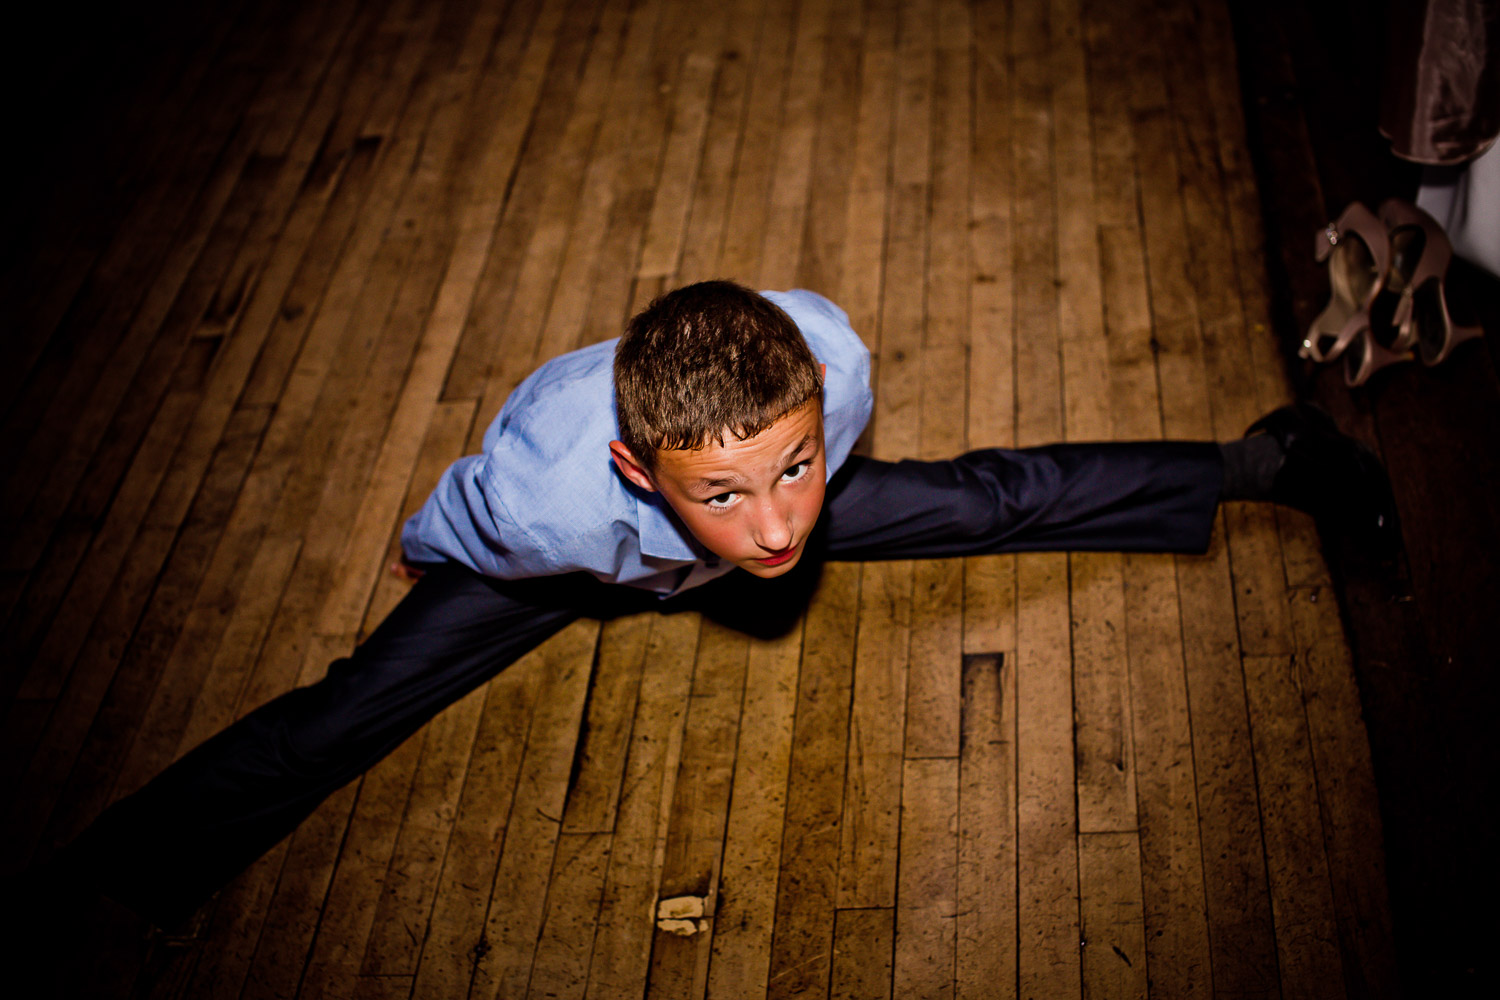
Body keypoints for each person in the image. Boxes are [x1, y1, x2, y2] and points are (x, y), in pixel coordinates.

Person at [45, 280, 1397, 927]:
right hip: (584, 564)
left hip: (686, 497)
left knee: (993, 497)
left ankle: (1271, 458)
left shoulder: (835, 375)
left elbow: (780, 495)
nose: (778, 533)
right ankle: (84, 888)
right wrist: (418, 550)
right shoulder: (543, 509)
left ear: (816, 415)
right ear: (642, 470)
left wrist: (774, 490)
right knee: (337, 722)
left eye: (796, 468)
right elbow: (451, 518)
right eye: (731, 496)